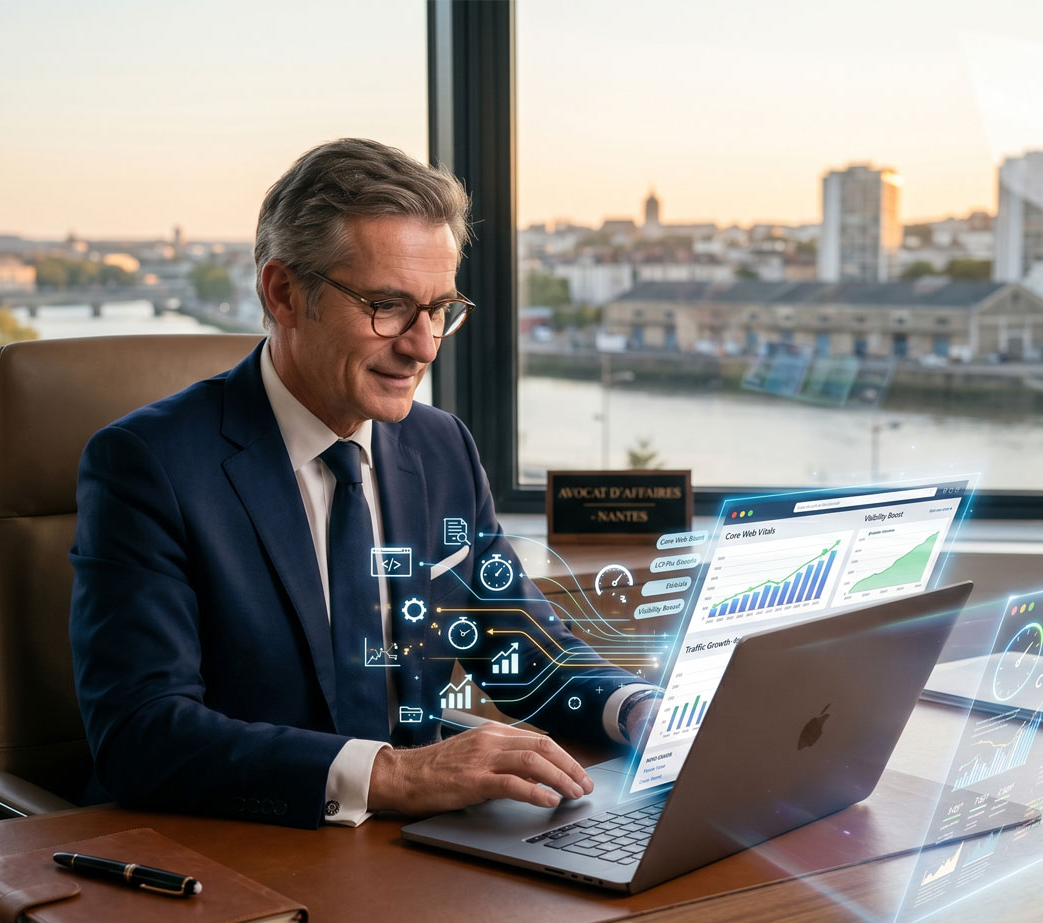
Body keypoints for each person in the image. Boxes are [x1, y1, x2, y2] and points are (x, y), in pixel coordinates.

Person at [69, 138, 660, 829]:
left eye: (439, 308)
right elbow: (141, 733)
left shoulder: (443, 448)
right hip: (238, 852)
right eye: (387, 306)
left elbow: (520, 645)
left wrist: (639, 706)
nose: (423, 345)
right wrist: (395, 774)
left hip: (418, 852)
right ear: (285, 293)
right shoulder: (147, 465)